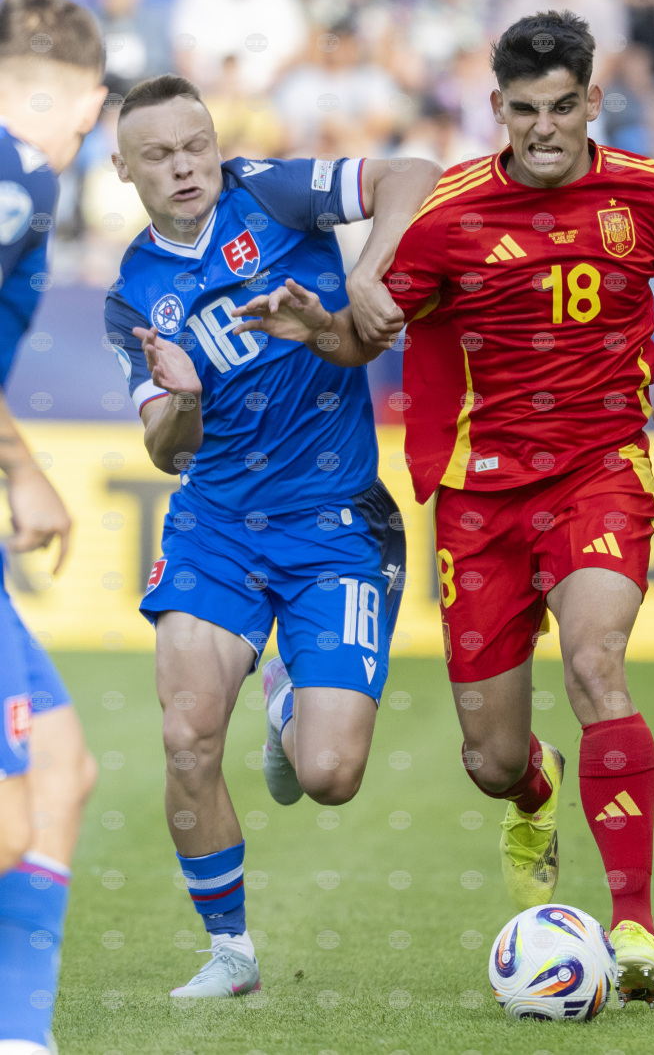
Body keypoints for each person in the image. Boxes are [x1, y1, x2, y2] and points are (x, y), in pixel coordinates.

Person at [233, 10, 654, 1008]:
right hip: (478, 496)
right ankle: (534, 791)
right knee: (490, 760)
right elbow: (366, 337)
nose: (543, 129)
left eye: (562, 108)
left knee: (595, 663)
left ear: (592, 100)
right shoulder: (447, 217)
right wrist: (318, 326)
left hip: (598, 471)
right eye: (523, 110)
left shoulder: (653, 194)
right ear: (496, 106)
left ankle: (633, 925)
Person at [104, 74, 440, 998]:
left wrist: (365, 274)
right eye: (160, 155)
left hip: (336, 524)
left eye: (197, 145)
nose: (186, 167)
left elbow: (414, 172)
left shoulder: (277, 192)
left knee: (329, 775)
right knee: (186, 734)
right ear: (123, 170)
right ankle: (231, 953)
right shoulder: (131, 297)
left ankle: (287, 696)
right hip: (216, 527)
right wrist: (183, 400)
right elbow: (167, 451)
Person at [0, 0, 106, 1054]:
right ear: (90, 98)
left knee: (63, 773)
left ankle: (18, 1036)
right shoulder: (18, 173)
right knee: (7, 823)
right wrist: (24, 470)